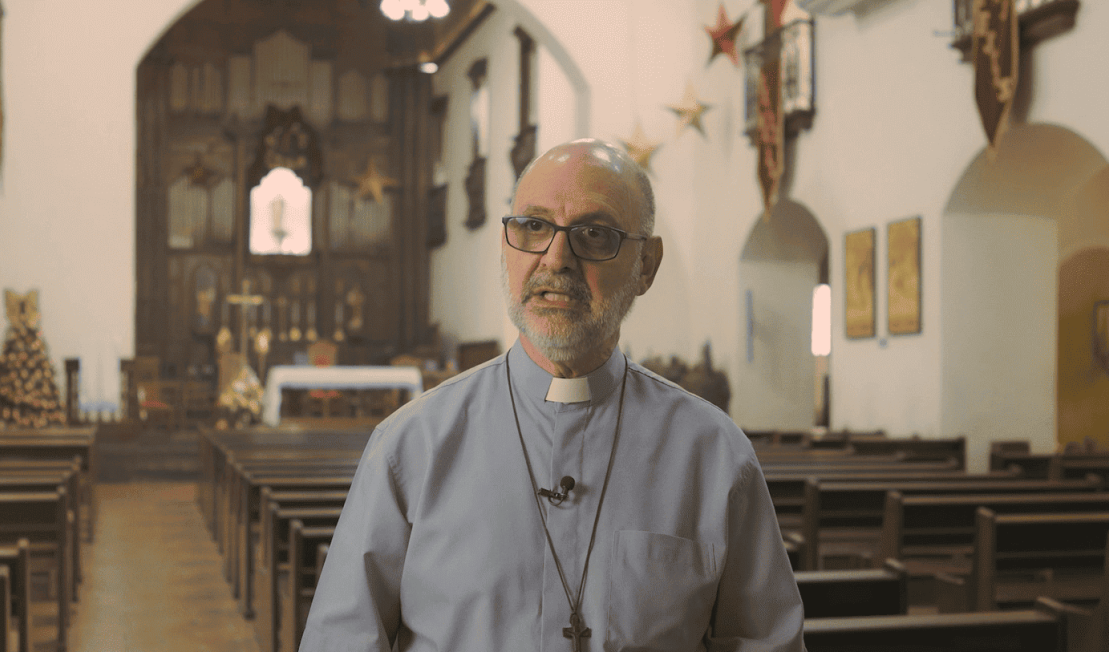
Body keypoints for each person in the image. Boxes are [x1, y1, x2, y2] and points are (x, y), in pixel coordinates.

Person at [300, 138, 805, 651]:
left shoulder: (715, 455)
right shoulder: (410, 447)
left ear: (646, 266)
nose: (556, 258)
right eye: (534, 227)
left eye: (594, 233)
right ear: (507, 246)